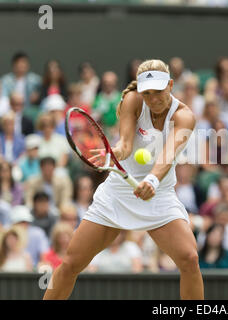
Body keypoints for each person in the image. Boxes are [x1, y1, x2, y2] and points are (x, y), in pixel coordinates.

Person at [43, 59, 204, 300]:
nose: (153, 99)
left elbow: (168, 157)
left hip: (158, 194)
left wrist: (151, 181)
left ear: (170, 85)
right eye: (147, 93)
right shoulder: (132, 100)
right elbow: (126, 144)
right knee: (71, 263)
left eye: (158, 91)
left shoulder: (184, 116)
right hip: (118, 193)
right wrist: (115, 152)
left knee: (189, 259)